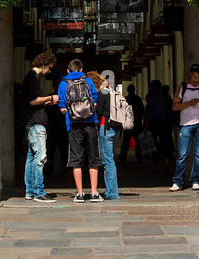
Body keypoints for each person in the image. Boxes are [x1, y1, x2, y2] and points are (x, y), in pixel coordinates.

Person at [57, 58, 102, 202]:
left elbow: (63, 108)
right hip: (90, 123)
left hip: (73, 125)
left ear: (68, 70)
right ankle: (94, 193)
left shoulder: (63, 84)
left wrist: (73, 112)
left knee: (76, 158)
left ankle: (80, 193)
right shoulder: (88, 81)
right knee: (93, 157)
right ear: (81, 69)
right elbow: (94, 101)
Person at [21, 51, 59, 201]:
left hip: (30, 122)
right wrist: (51, 97)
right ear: (43, 65)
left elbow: (33, 100)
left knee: (31, 157)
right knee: (40, 157)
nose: (49, 71)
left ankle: (30, 191)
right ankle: (38, 192)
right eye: (49, 68)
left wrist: (45, 101)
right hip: (36, 123)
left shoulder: (30, 77)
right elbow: (33, 100)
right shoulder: (33, 78)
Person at [171, 64, 199, 191]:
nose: (196, 80)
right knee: (182, 154)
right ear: (190, 74)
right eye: (194, 77)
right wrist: (189, 103)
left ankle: (195, 180)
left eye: (198, 77)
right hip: (185, 125)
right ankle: (177, 181)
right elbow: (175, 106)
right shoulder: (183, 87)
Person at [90, 71, 120, 201]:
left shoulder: (102, 93)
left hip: (105, 129)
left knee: (108, 162)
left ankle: (112, 193)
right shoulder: (112, 92)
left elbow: (98, 112)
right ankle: (111, 190)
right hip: (115, 129)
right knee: (110, 160)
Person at [144, 79, 173, 169]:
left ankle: (156, 164)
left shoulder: (149, 96)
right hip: (164, 122)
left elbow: (148, 111)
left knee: (154, 144)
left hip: (153, 122)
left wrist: (145, 124)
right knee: (165, 142)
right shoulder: (165, 97)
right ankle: (166, 162)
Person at [120, 83, 145, 164]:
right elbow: (142, 112)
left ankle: (123, 158)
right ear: (134, 90)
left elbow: (122, 112)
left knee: (126, 142)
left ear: (127, 91)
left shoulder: (125, 99)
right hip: (137, 123)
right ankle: (139, 158)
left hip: (128, 123)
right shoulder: (138, 99)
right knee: (138, 143)